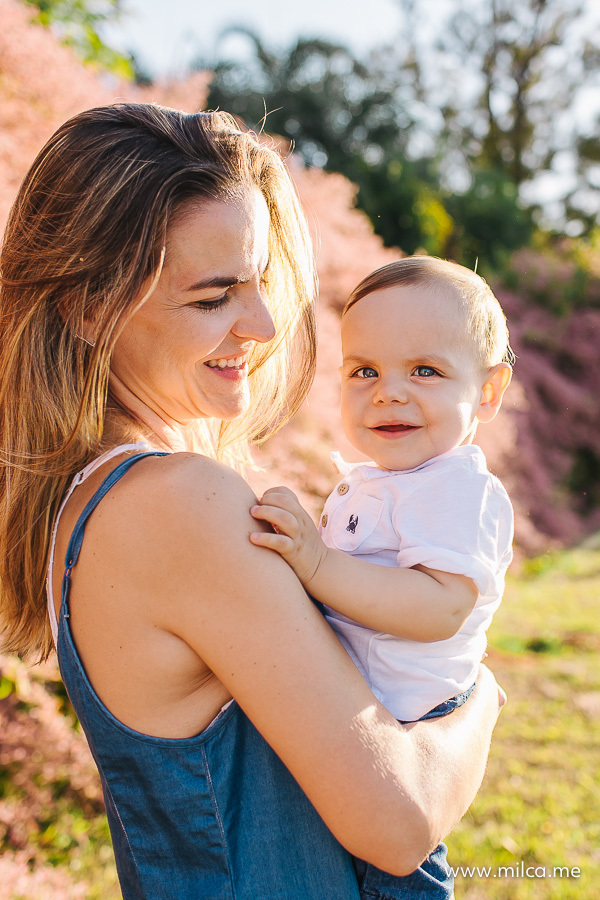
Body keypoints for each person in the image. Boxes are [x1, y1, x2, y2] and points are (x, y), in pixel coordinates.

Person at [0, 104, 504, 900]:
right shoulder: (178, 502)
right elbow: (401, 823)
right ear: (90, 309)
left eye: (261, 281)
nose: (264, 325)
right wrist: (479, 700)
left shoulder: (91, 502)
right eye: (213, 299)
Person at [250, 257, 514, 898]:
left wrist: (317, 564)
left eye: (425, 370)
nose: (388, 392)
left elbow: (437, 607)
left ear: (488, 391)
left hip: (405, 747)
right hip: (360, 739)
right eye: (364, 371)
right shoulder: (383, 482)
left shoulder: (456, 489)